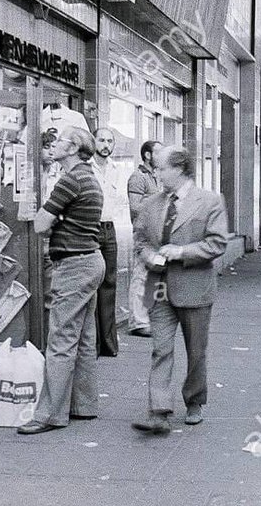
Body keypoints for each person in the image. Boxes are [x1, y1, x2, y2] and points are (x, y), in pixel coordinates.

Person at [132, 147, 229, 434]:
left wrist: (181, 251)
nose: (156, 173)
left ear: (180, 168)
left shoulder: (210, 201)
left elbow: (217, 243)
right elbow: (140, 239)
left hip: (194, 286)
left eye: (161, 168)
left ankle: (195, 400)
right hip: (158, 285)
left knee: (196, 351)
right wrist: (147, 255)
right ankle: (158, 410)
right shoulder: (152, 203)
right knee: (160, 349)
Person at [17, 127, 105, 435]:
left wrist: (54, 218)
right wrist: (60, 219)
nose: (54, 145)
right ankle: (84, 405)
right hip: (91, 261)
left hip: (73, 266)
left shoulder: (70, 180)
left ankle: (49, 415)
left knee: (61, 340)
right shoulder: (89, 178)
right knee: (82, 339)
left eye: (60, 141)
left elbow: (41, 224)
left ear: (73, 148)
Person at [125, 140, 163, 338]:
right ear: (148, 155)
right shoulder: (138, 177)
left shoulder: (157, 177)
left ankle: (147, 317)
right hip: (143, 235)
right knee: (140, 276)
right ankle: (137, 321)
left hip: (156, 235)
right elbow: (134, 206)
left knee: (153, 277)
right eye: (159, 152)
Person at [89, 127, 121, 357]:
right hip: (90, 228)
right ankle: (93, 342)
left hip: (109, 228)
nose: (106, 145)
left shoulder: (115, 169)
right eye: (102, 140)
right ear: (93, 142)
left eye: (110, 141)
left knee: (109, 284)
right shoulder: (85, 168)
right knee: (91, 283)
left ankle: (108, 343)